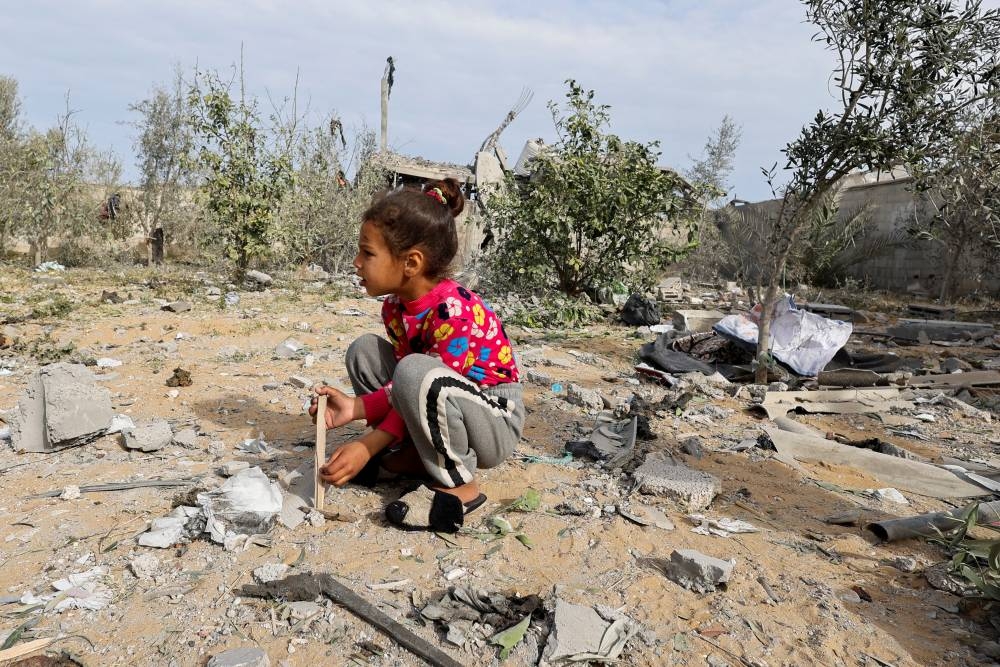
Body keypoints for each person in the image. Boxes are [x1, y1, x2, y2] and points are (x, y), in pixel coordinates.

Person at [308, 178, 525, 533]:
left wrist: (367, 442)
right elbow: (405, 389)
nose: (356, 262)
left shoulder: (454, 312)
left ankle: (459, 486)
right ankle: (413, 459)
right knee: (365, 351)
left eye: (367, 252)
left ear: (410, 262)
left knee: (414, 370)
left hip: (492, 419)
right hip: (436, 395)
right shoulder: (395, 308)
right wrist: (353, 408)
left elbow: (423, 382)